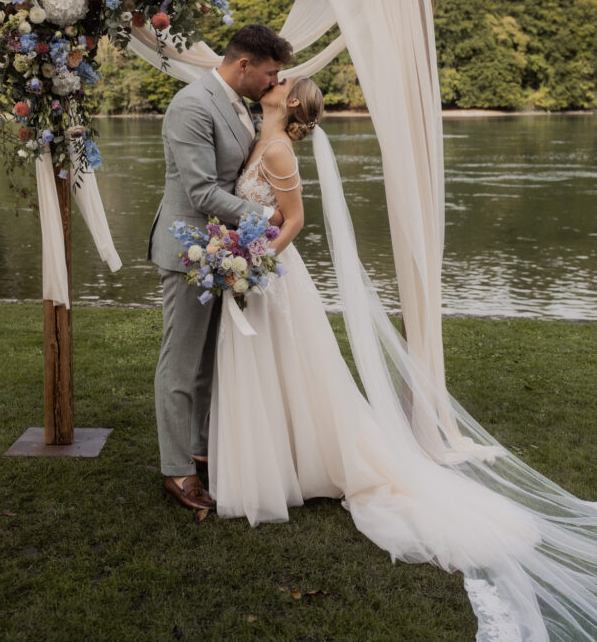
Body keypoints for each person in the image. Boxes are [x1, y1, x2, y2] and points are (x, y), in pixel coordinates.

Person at [208, 76, 597, 641]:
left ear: (290, 101)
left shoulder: (278, 148)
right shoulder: (256, 136)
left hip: (270, 277)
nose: (275, 79)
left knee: (287, 370)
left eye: (284, 80)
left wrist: (252, 263)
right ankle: (282, 459)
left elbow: (292, 221)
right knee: (272, 374)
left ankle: (298, 464)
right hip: (256, 271)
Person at [148, 24, 293, 512]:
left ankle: (200, 445)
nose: (276, 82)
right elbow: (201, 192)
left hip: (221, 250)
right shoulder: (192, 105)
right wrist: (268, 220)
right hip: (189, 251)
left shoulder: (240, 103)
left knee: (210, 359)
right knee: (181, 364)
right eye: (271, 73)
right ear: (244, 65)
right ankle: (176, 471)